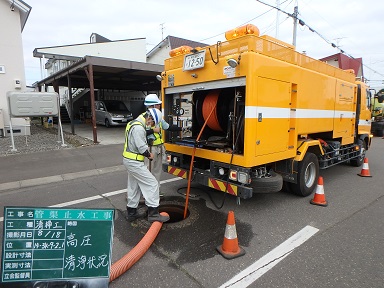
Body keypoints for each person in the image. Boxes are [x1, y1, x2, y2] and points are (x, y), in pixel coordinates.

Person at [123, 108, 169, 223]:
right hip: (135, 162)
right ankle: (153, 214)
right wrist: (149, 155)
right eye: (153, 122)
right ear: (149, 118)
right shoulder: (139, 128)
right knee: (152, 183)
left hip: (129, 160)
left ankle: (131, 213)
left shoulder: (132, 123)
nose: (151, 125)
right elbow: (142, 147)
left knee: (134, 185)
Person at [143, 94, 185, 196]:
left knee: (157, 172)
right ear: (152, 105)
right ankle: (146, 193)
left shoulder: (158, 117)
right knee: (148, 172)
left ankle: (155, 192)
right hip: (150, 148)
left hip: (158, 148)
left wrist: (181, 128)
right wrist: (153, 130)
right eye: (157, 104)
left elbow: (168, 127)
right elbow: (140, 132)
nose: (159, 106)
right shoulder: (145, 118)